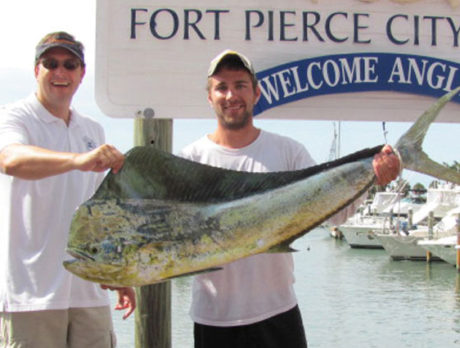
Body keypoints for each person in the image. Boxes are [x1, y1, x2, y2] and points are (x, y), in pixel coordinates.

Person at [179, 49, 401, 348]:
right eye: (222, 87)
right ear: (210, 97)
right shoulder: (190, 160)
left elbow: (335, 215)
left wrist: (374, 178)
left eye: (241, 85)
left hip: (277, 313)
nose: (231, 95)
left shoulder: (288, 152)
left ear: (256, 93)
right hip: (213, 319)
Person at [0, 32, 136, 348]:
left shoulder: (93, 130)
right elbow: (9, 159)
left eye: (70, 64)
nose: (60, 73)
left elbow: (100, 211)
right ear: (37, 70)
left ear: (81, 74)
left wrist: (117, 275)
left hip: (89, 294)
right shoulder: (15, 116)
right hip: (31, 296)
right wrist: (78, 160)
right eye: (51, 64)